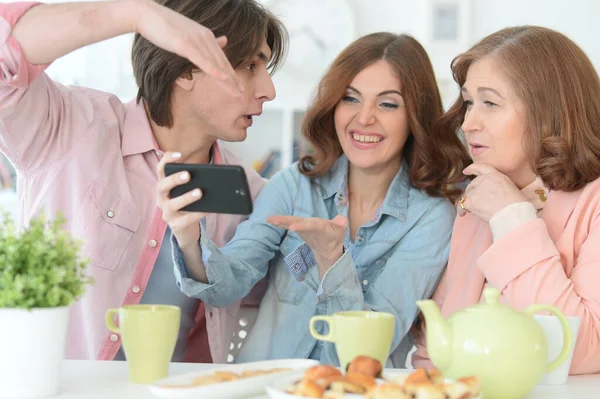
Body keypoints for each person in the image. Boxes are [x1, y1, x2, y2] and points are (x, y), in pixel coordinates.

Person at [157, 32, 469, 366]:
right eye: (350, 99)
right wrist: (190, 238)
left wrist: (332, 260)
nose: (364, 118)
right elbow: (226, 288)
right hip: (265, 387)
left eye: (387, 103)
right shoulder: (293, 185)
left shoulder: (431, 217)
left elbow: (369, 351)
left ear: (415, 117)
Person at [0, 0, 287, 363]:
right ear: (185, 69)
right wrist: (136, 13)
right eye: (250, 65)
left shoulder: (252, 193)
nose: (268, 90)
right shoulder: (69, 128)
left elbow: (283, 297)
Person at [412, 26, 600, 375]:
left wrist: (512, 219)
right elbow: (438, 350)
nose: (468, 123)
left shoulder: (592, 204)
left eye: (490, 103)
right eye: (468, 102)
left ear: (550, 112)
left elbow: (582, 349)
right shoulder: (478, 199)